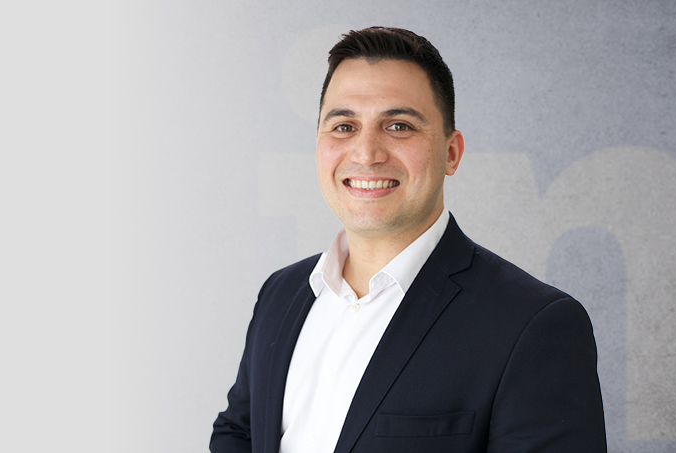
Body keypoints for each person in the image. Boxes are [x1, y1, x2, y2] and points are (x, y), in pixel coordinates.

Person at [210, 27, 606, 452]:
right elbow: (240, 432)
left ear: (451, 153)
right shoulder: (281, 293)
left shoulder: (533, 325)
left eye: (398, 126)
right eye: (344, 126)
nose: (366, 153)